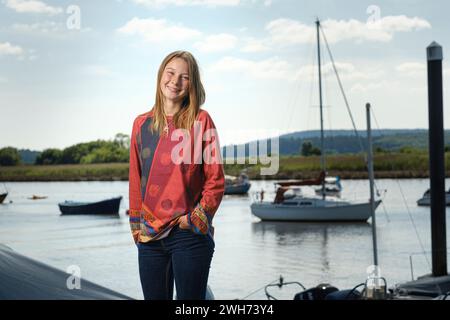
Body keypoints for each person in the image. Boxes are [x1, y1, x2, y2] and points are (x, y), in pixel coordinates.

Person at [128, 51, 225, 300]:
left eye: (185, 77)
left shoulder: (201, 120)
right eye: (170, 73)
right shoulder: (141, 124)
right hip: (150, 238)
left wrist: (194, 220)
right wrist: (138, 230)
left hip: (188, 235)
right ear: (161, 76)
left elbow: (215, 180)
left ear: (192, 85)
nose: (175, 81)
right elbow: (136, 179)